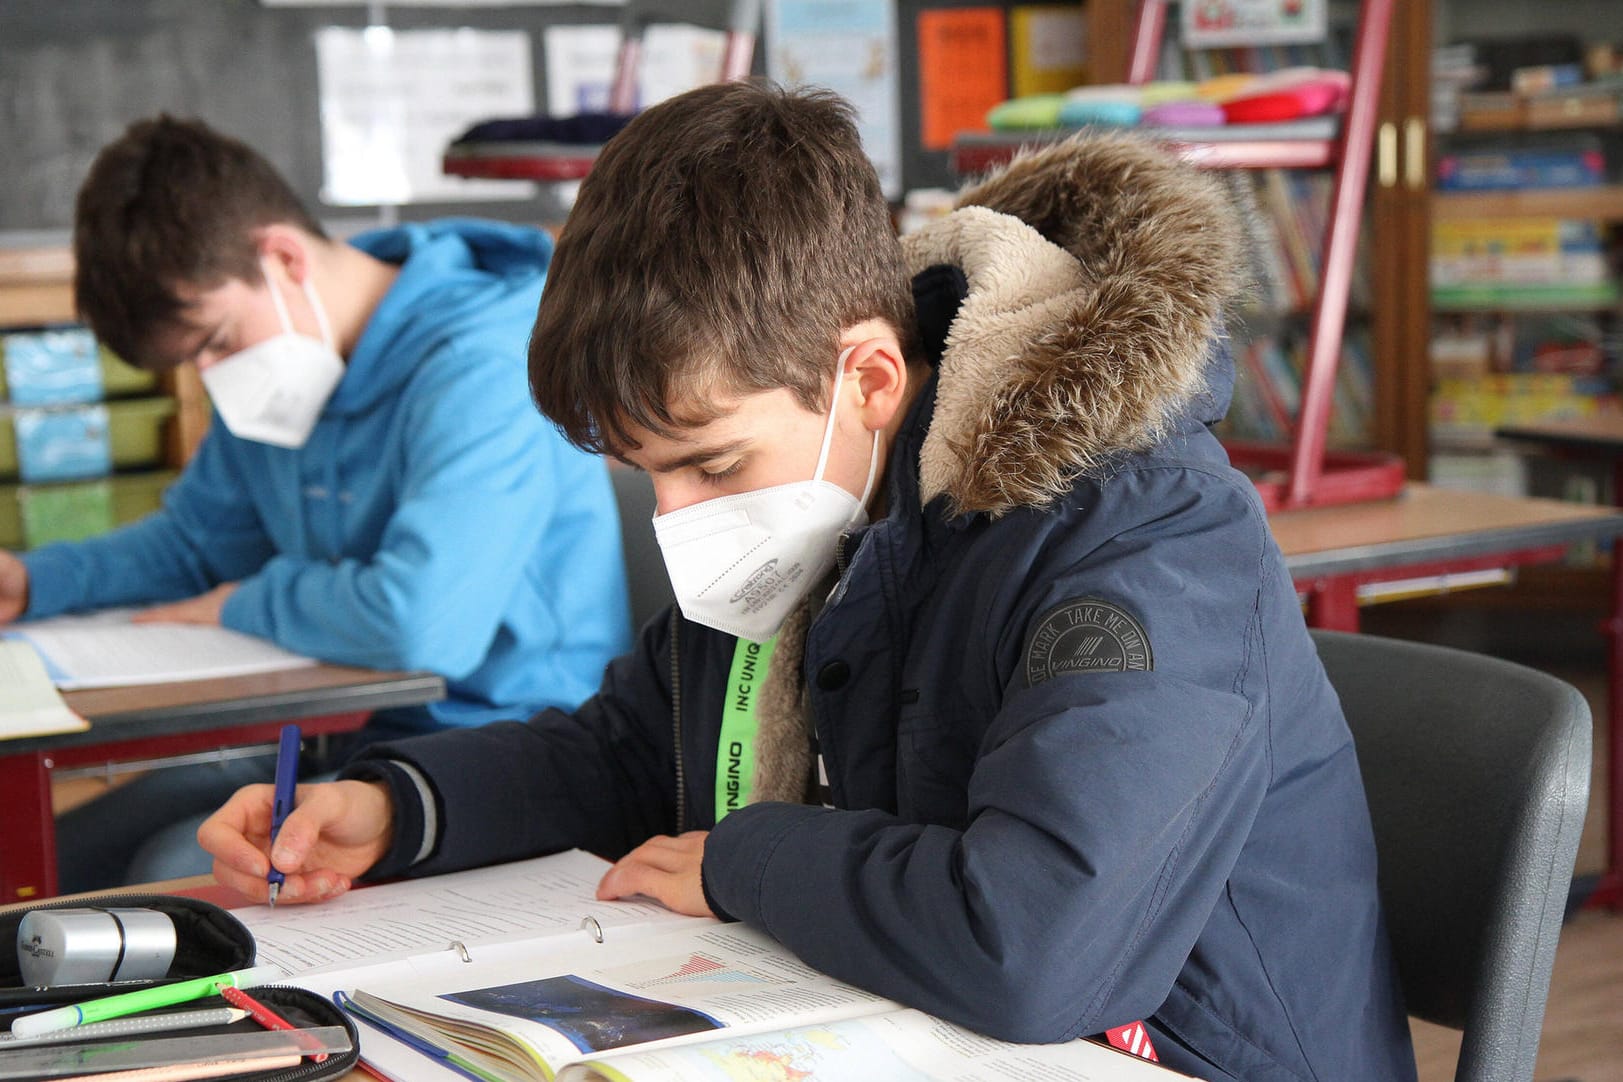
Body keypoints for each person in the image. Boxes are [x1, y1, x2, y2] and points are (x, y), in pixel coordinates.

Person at [198, 83, 1417, 1080]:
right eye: (644, 476)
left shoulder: (1140, 535)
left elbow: (1041, 942)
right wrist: (403, 805)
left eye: (707, 462)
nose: (675, 518)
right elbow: (631, 750)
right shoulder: (822, 489)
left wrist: (745, 861)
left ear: (870, 379)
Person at [0, 116, 632, 891]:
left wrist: (243, 603)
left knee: (178, 874)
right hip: (349, 736)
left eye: (217, 341)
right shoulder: (283, 369)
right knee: (71, 853)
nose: (212, 375)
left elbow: (419, 623)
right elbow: (196, 543)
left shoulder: (483, 360)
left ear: (284, 258)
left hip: (503, 746)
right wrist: (36, 583)